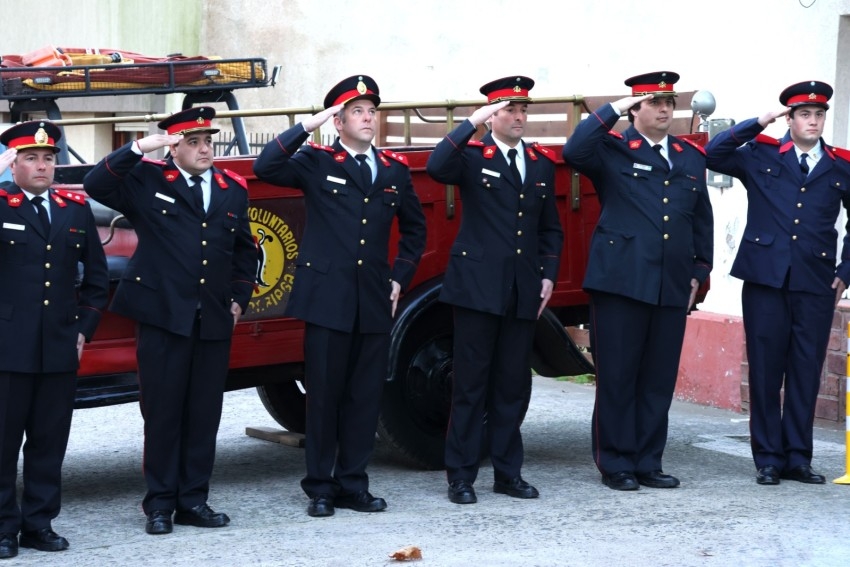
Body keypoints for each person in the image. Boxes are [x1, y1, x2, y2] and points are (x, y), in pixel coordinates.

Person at [253, 75, 426, 517]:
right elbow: (266, 166)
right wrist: (308, 126)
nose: (368, 119)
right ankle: (321, 487)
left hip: (372, 298)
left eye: (372, 111)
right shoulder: (316, 161)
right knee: (325, 395)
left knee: (364, 397)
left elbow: (414, 230)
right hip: (326, 298)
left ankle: (354, 484)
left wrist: (399, 278)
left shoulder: (392, 170)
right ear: (339, 121)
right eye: (357, 112)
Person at [83, 107, 257, 534]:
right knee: (162, 413)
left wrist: (239, 298)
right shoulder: (147, 181)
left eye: (208, 141)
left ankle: (194, 500)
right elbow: (96, 183)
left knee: (204, 413)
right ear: (174, 146)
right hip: (162, 315)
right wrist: (142, 147)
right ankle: (160, 504)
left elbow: (244, 251)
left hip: (211, 317)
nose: (204, 149)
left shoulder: (229, 188)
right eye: (194, 142)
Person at [562, 71, 713, 491]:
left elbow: (700, 218)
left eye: (669, 102)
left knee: (658, 378)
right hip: (621, 282)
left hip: (671, 282)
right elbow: (575, 149)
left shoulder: (688, 156)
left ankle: (648, 460)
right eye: (655, 103)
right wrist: (612, 110)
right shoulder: (612, 150)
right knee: (619, 376)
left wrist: (700, 271)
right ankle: (616, 463)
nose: (665, 109)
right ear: (636, 108)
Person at [426, 76, 563, 504]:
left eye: (524, 110)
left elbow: (550, 229)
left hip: (522, 290)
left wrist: (548, 274)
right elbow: (436, 166)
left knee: (512, 386)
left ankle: (508, 473)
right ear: (492, 116)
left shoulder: (539, 162)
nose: (520, 117)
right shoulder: (471, 157)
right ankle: (461, 476)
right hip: (477, 290)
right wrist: (471, 122)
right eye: (510, 110)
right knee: (470, 385)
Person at [705, 81, 850, 486]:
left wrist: (846, 272)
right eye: (805, 114)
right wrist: (759, 122)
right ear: (790, 118)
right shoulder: (761, 153)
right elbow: (714, 153)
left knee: (806, 370)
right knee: (767, 370)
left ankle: (798, 458)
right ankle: (768, 458)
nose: (813, 121)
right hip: (766, 278)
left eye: (819, 115)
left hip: (817, 281)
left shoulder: (841, 164)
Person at [0, 122, 108, 558]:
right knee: (4, 442)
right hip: (8, 346)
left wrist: (83, 329)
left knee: (49, 441)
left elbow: (97, 280)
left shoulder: (73, 209)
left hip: (60, 345)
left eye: (48, 158)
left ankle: (39, 523)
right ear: (13, 163)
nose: (42, 165)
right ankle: (4, 527)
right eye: (31, 157)